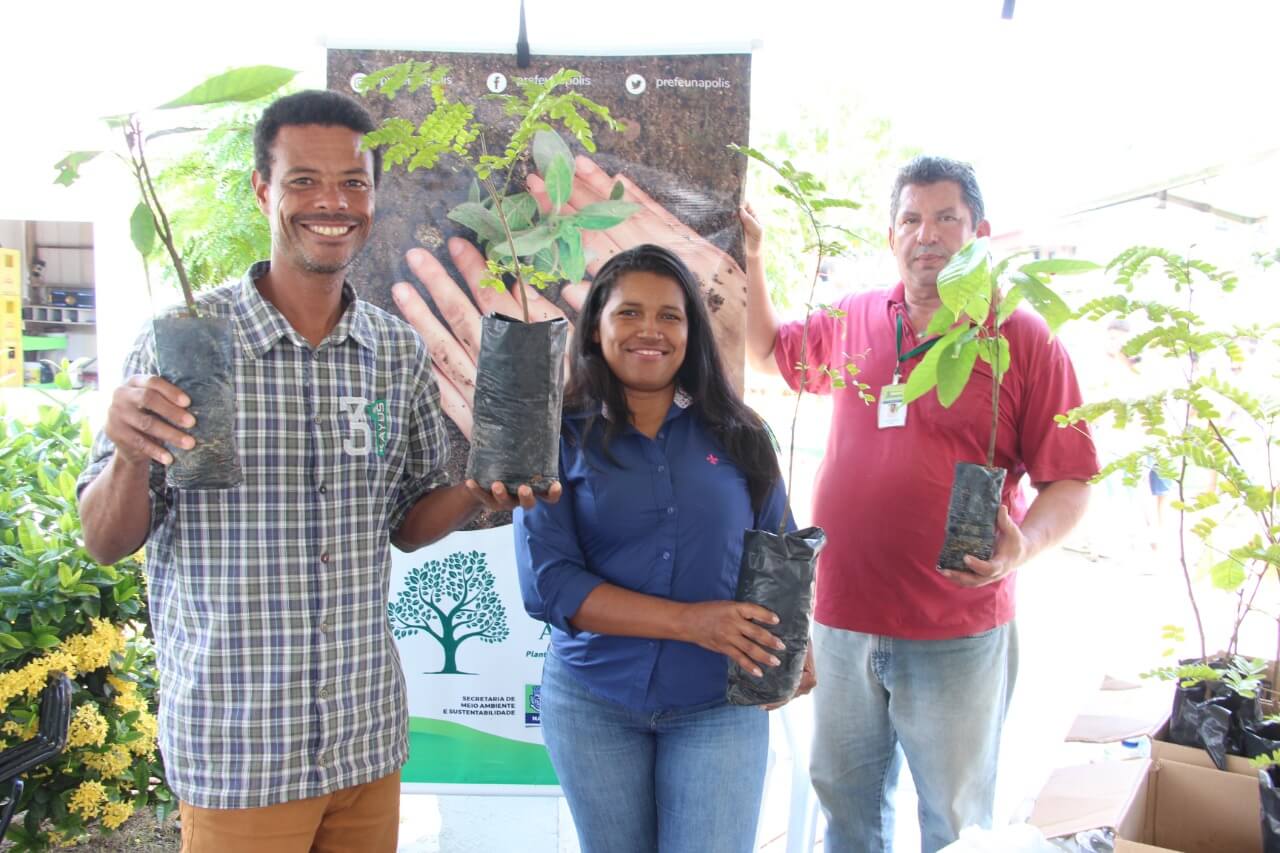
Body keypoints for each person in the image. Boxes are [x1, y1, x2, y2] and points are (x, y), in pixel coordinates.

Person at [77, 90, 549, 853]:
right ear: (263, 189)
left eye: (353, 182)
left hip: (364, 741)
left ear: (373, 195)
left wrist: (476, 489)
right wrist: (130, 452)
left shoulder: (395, 351)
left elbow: (405, 523)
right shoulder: (187, 345)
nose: (332, 202)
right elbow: (105, 539)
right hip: (240, 753)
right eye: (303, 180)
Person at [741, 155, 1099, 853]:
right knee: (846, 809)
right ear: (891, 234)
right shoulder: (853, 319)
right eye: (911, 218)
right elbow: (767, 352)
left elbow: (1074, 478)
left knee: (956, 823)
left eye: (946, 218)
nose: (926, 234)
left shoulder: (1019, 336)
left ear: (980, 232)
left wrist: (1022, 544)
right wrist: (752, 258)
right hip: (843, 620)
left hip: (955, 628)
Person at [510, 244, 809, 853]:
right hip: (594, 700)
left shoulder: (741, 434)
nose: (650, 330)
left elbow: (779, 549)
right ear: (596, 327)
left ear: (691, 332)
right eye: (629, 313)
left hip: (717, 704)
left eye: (670, 316)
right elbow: (551, 586)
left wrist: (798, 642)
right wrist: (692, 623)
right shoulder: (554, 437)